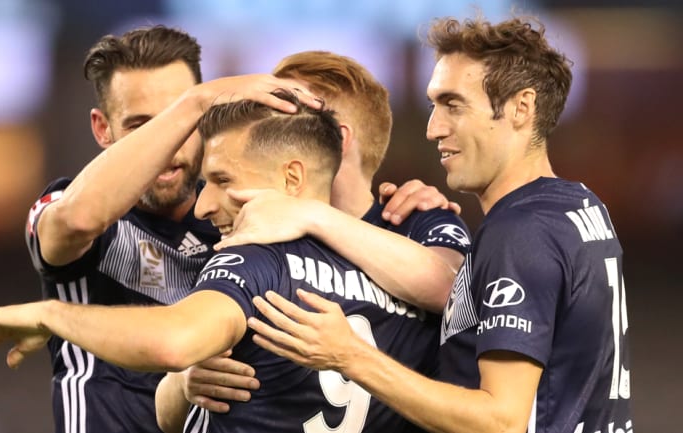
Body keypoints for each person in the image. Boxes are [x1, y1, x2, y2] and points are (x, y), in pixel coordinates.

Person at [0, 90, 446, 433]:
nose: (205, 206)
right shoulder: (403, 271)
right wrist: (183, 385)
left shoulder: (257, 263)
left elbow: (174, 340)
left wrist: (51, 314)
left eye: (224, 180)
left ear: (292, 179)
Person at [244, 16, 633, 433]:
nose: (433, 129)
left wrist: (350, 356)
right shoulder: (581, 206)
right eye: (434, 105)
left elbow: (500, 421)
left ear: (522, 108)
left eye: (453, 104)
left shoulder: (520, 233)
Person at [23, 25, 322, 433]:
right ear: (102, 129)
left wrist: (411, 209)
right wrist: (194, 102)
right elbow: (78, 219)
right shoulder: (68, 204)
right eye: (141, 125)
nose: (168, 146)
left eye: (181, 123)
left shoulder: (244, 215)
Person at [158, 50, 470, 429]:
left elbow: (455, 292)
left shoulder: (412, 219)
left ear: (335, 138)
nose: (259, 124)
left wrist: (314, 216)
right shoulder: (237, 226)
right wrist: (182, 381)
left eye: (285, 106)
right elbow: (169, 414)